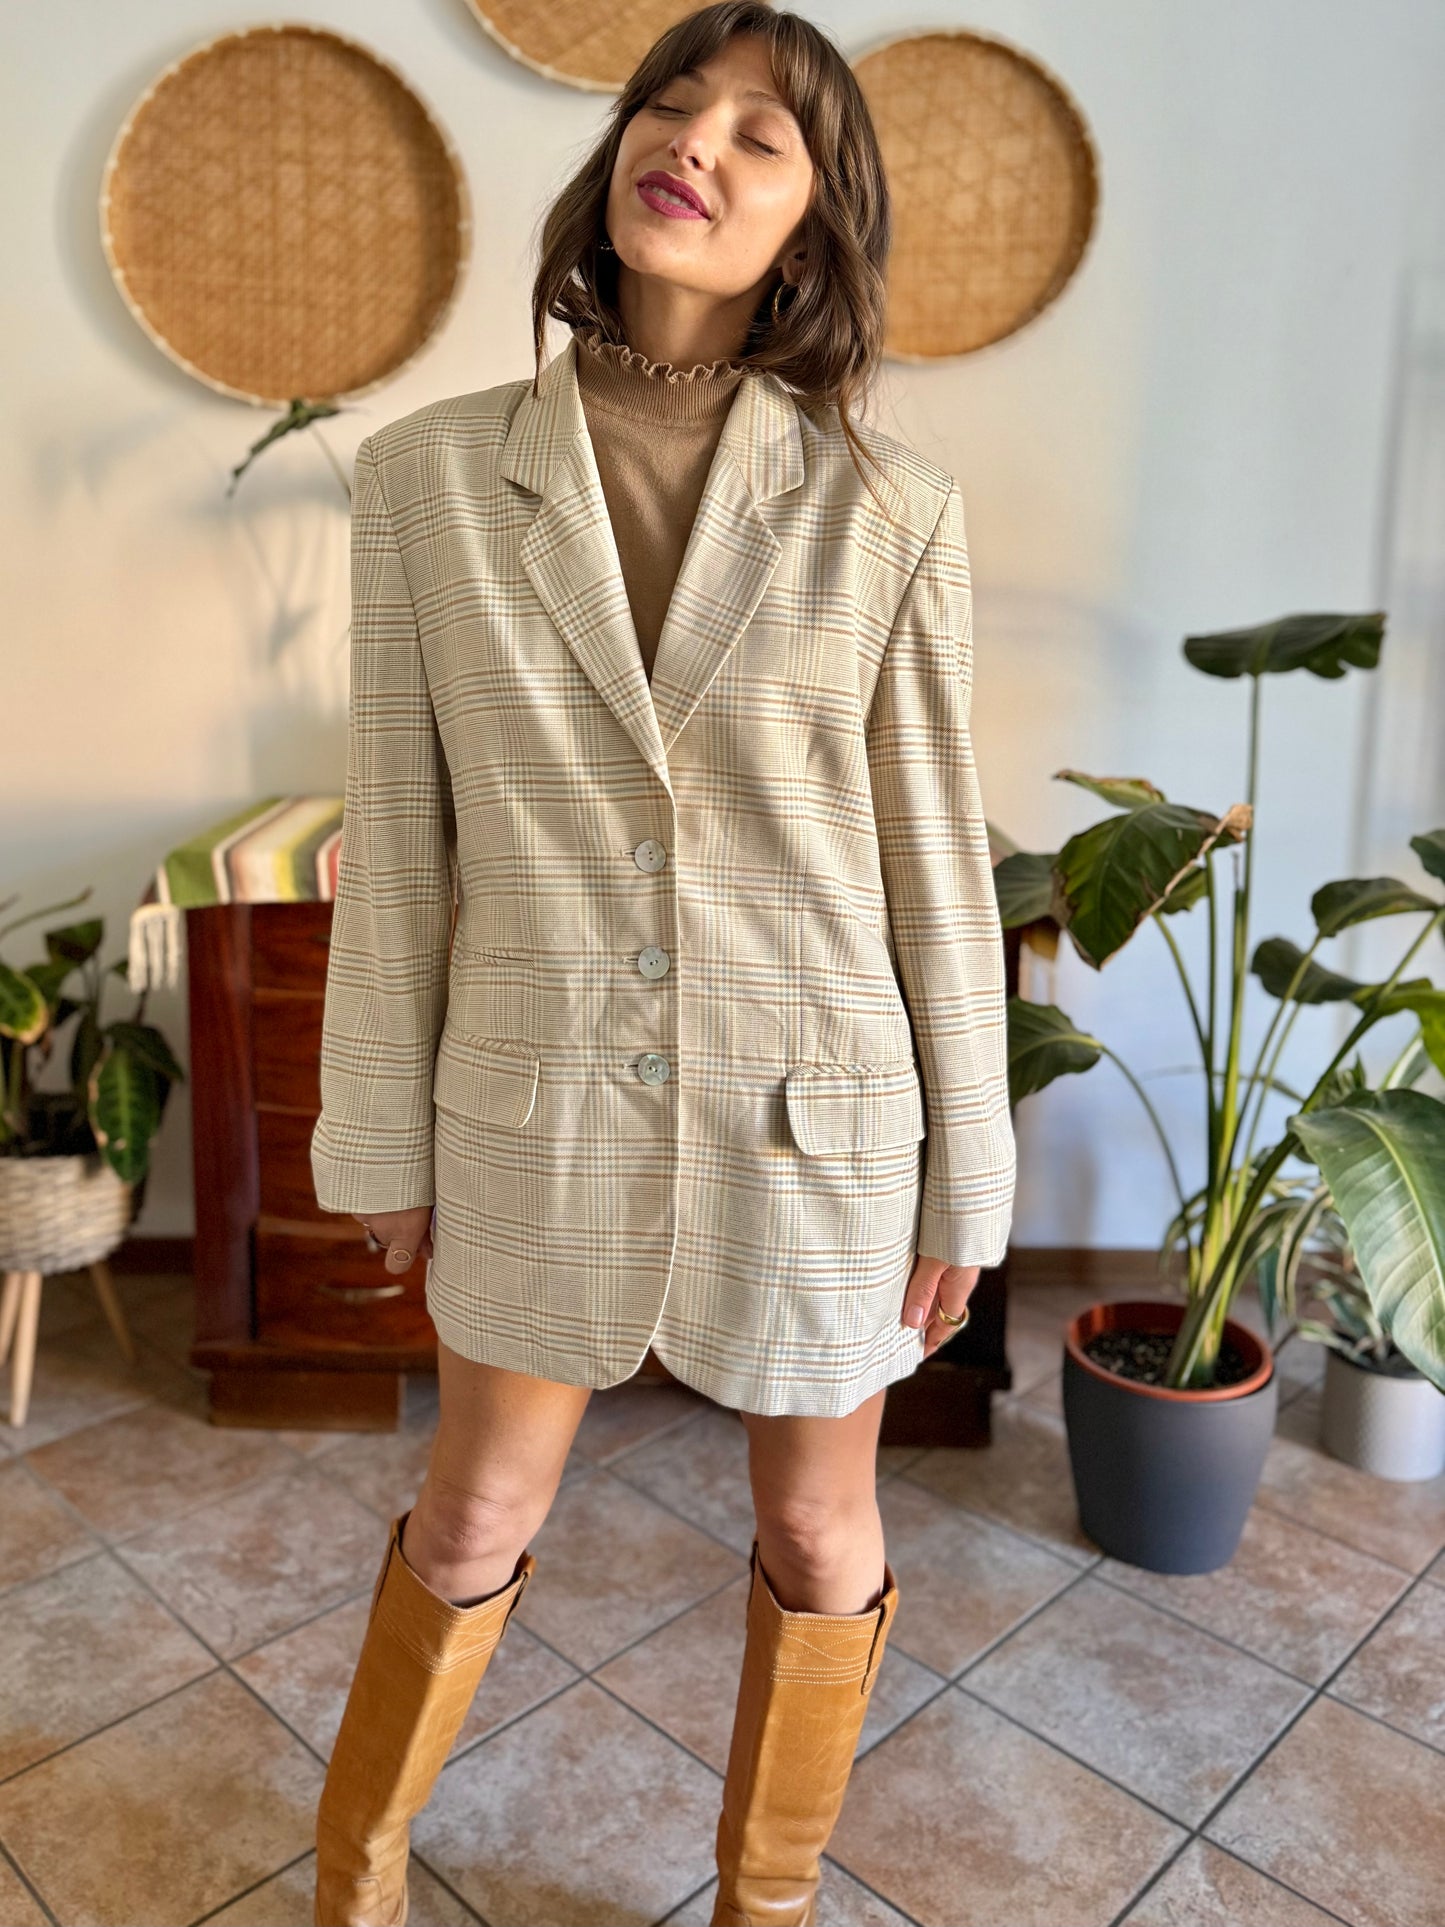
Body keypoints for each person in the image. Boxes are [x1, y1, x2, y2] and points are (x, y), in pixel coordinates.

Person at [308, 4, 1015, 1922]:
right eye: (669, 103)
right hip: (532, 1106)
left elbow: (931, 867)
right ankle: (352, 1884)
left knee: (814, 1522)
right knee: (470, 1512)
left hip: (821, 1117)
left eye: (761, 135)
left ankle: (762, 1903)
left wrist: (969, 1169)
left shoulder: (889, 510)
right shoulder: (428, 484)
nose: (692, 140)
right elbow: (404, 848)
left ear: (811, 223)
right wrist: (379, 1138)